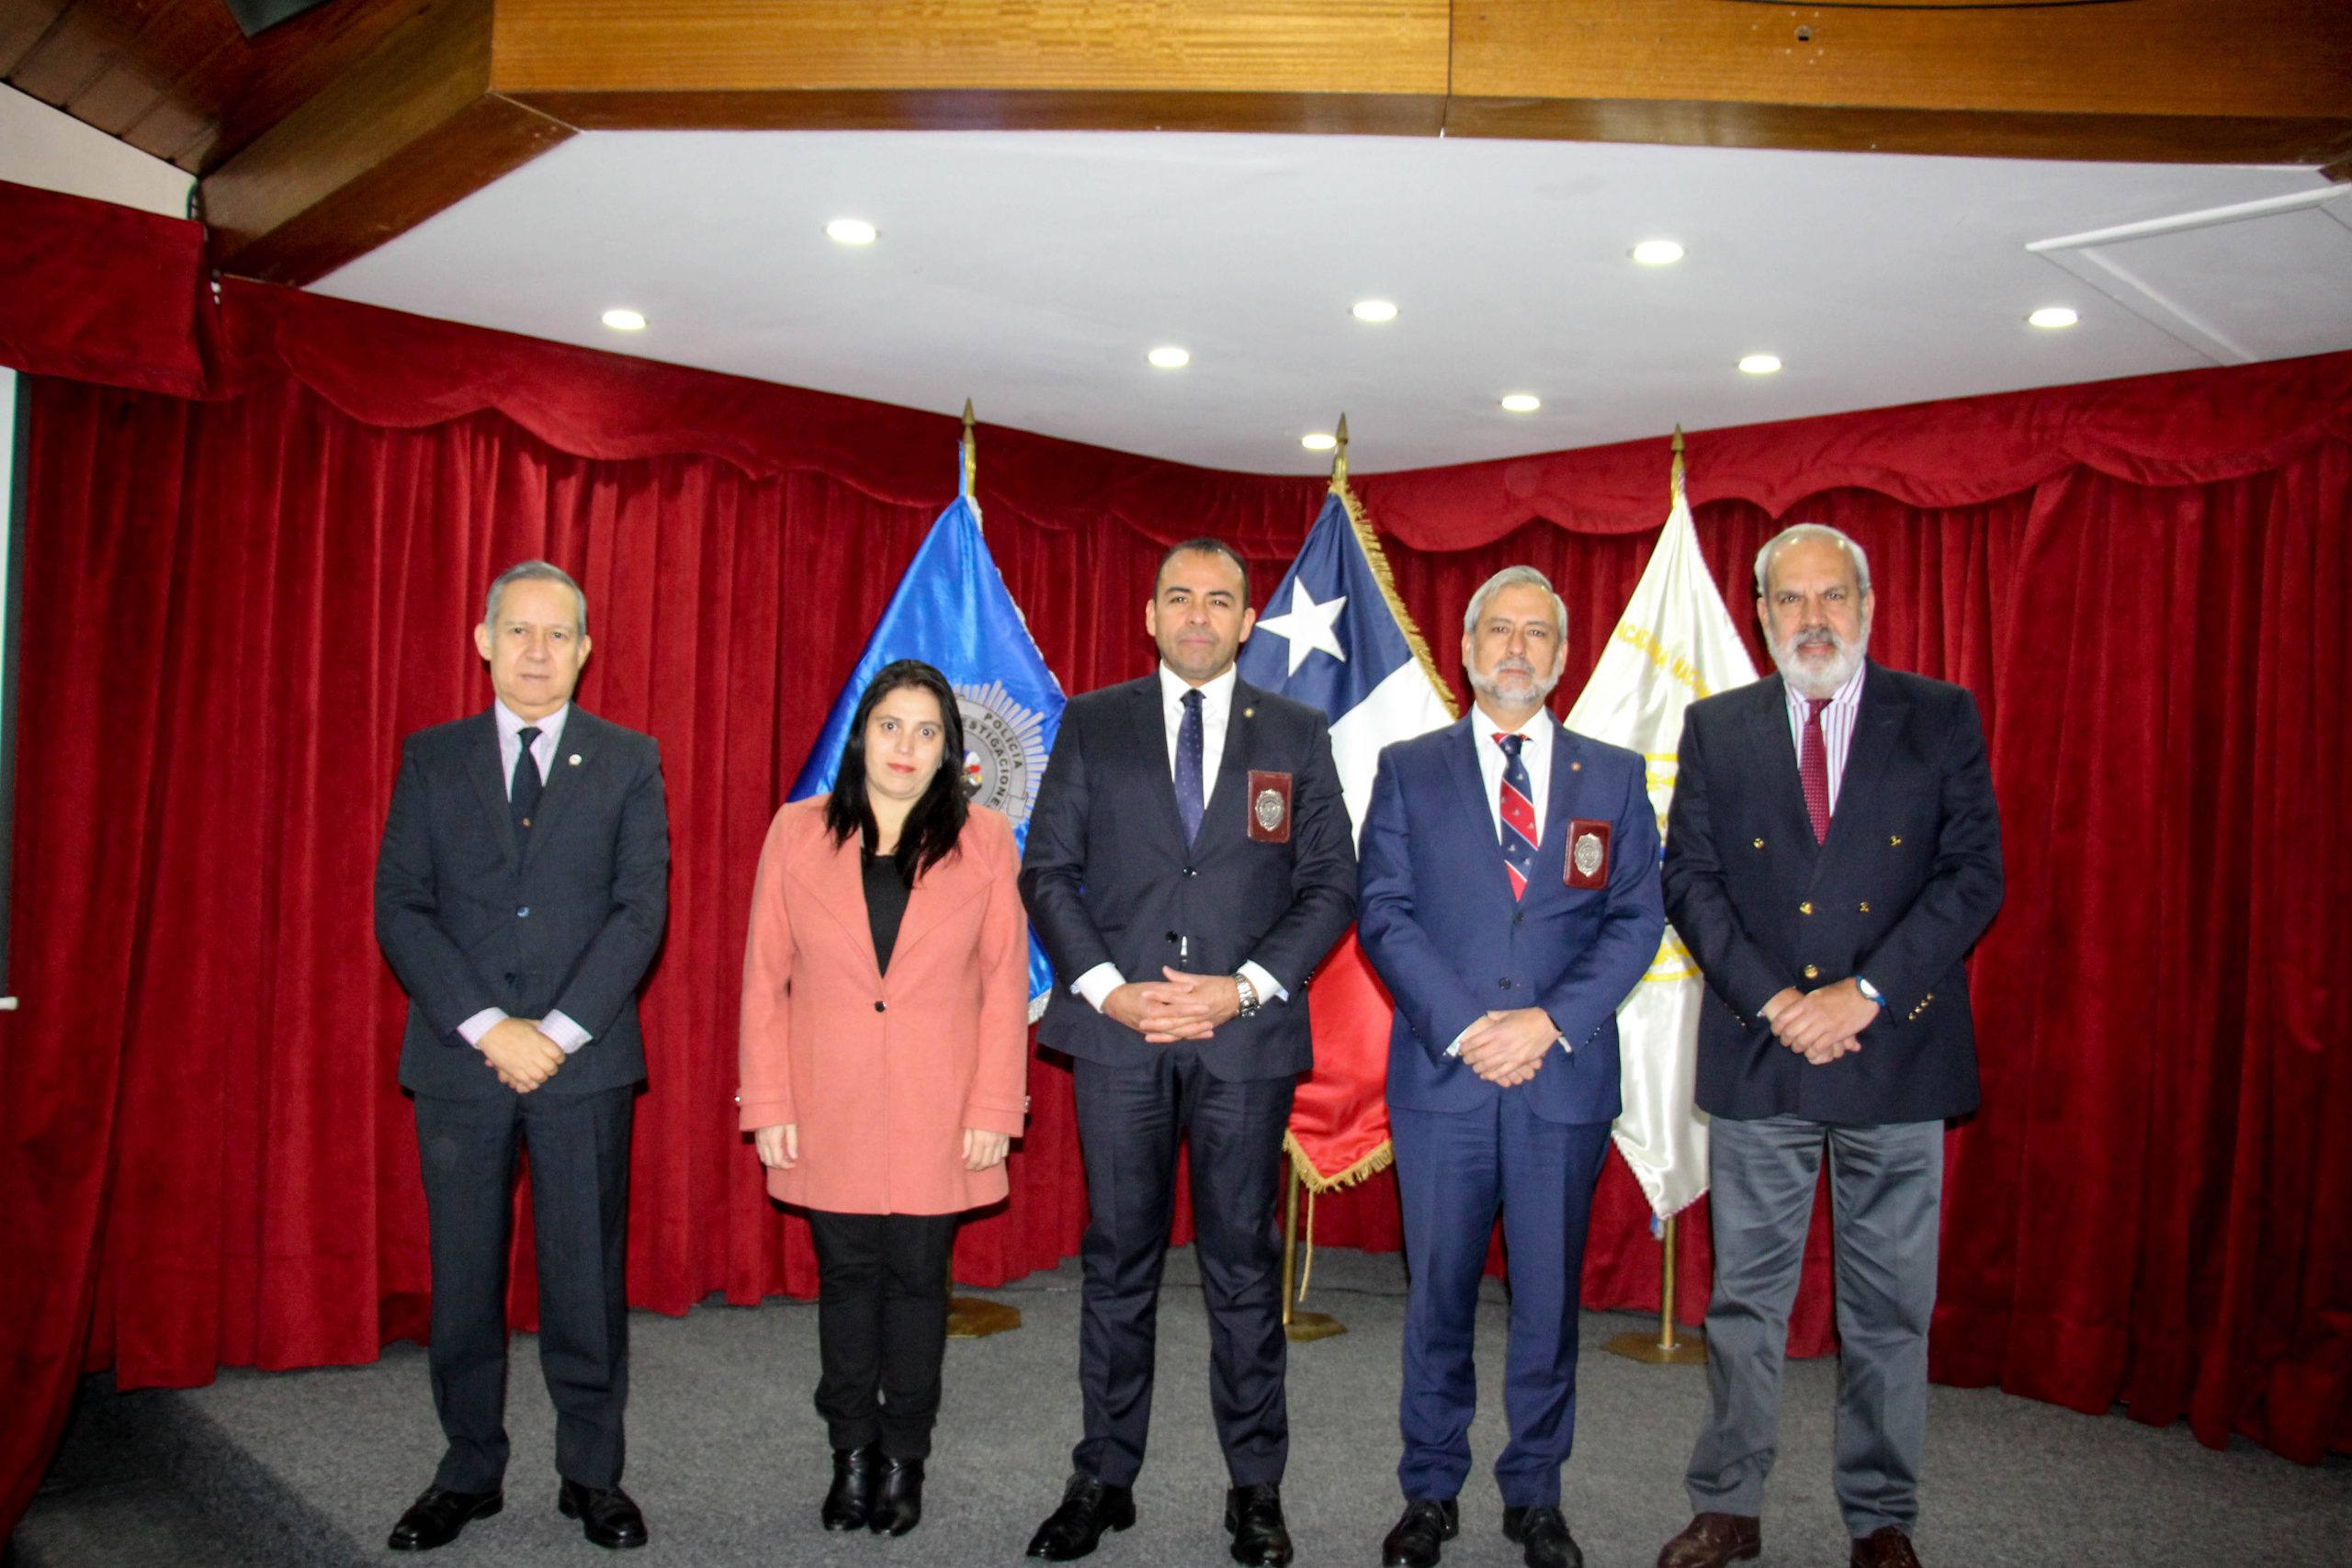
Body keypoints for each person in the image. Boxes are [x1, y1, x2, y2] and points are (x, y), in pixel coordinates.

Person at [1655, 524, 2003, 1568]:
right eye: (1789, 600)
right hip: (1764, 1051)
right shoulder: (1718, 726)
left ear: (1866, 604)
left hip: (1893, 1051)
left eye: (1831, 597)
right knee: (1745, 1302)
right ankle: (1729, 1504)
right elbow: (1690, 882)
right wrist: (1775, 1002)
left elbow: (1972, 876)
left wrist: (1867, 993)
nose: (1812, 618)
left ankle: (1882, 1517)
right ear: (1760, 617)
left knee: (1889, 1310)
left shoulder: (1938, 716)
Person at [1018, 537, 1357, 1567]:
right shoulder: (1094, 722)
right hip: (1120, 1040)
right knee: (1115, 1263)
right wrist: (1107, 991)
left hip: (1242, 1042)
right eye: (1180, 598)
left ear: (1249, 621)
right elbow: (1047, 873)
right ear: (1150, 615)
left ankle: (1254, 1488)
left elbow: (1330, 885)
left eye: (1219, 601)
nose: (1199, 616)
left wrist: (1242, 987)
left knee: (1241, 1269)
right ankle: (1102, 1476)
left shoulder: (1296, 733)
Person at [1356, 566, 1665, 1568]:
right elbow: (1384, 912)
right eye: (1499, 629)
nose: (1517, 647)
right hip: (1443, 1082)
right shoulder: (1409, 767)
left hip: (1559, 1083)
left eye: (1538, 632)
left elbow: (1635, 919)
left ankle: (1535, 1493)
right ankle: (1430, 1491)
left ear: (1564, 655)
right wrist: (1466, 1027)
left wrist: (1545, 1025)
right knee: (1436, 1297)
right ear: (1467, 646)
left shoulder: (1614, 778)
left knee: (1546, 1302)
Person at [374, 560, 670, 1552]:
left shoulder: (629, 759)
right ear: (483, 640)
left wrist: (555, 1032)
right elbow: (400, 906)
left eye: (558, 635)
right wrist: (487, 1026)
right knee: (464, 1279)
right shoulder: (431, 757)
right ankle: (467, 1470)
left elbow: (640, 912)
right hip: (461, 1064)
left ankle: (592, 1476)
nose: (538, 652)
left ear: (586, 651)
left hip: (582, 1065)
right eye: (519, 631)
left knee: (585, 1277)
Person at [736, 659, 1030, 1539]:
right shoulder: (794, 832)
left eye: (928, 730)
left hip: (943, 1108)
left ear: (951, 751)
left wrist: (993, 1110)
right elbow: (762, 980)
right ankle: (850, 1455)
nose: (906, 746)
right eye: (890, 725)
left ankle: (904, 1457)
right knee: (847, 1278)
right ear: (861, 733)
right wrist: (769, 1103)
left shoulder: (984, 839)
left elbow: (1005, 985)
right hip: (827, 1104)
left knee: (915, 1282)